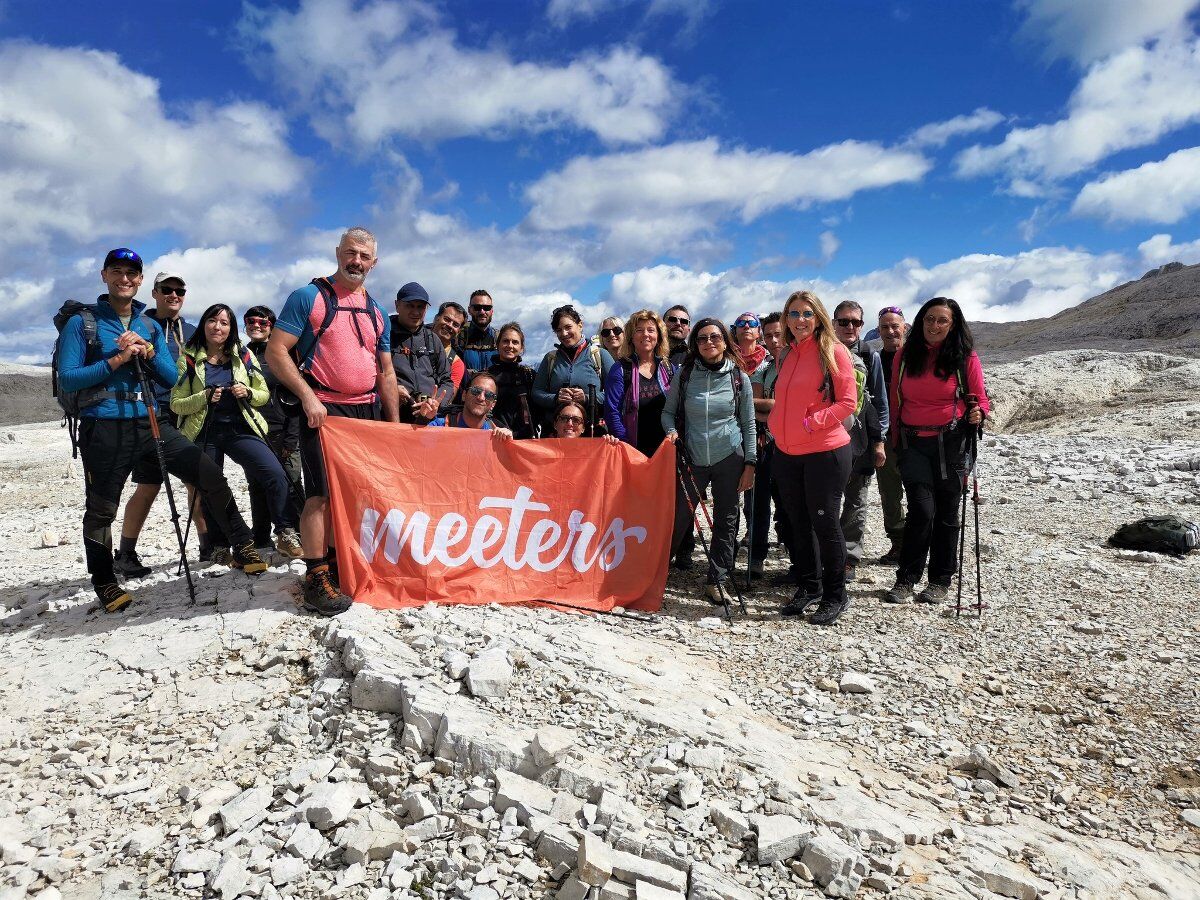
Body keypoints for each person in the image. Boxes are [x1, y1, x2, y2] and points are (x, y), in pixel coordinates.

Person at [58, 248, 267, 613]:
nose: (125, 279)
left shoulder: (148, 325)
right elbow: (69, 378)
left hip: (152, 421)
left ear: (140, 280)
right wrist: (118, 359)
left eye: (132, 273)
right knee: (102, 508)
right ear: (104, 276)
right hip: (104, 426)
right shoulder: (84, 323)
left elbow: (174, 379)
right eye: (117, 271)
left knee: (207, 474)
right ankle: (105, 581)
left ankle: (242, 544)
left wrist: (152, 354)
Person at [268, 227, 400, 616]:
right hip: (325, 408)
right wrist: (308, 397)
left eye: (364, 256)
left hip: (366, 410)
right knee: (321, 494)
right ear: (337, 252)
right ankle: (315, 576)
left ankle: (338, 562)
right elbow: (277, 352)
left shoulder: (376, 311)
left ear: (374, 263)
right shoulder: (309, 297)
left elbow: (386, 371)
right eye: (350, 253)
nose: (356, 261)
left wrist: (392, 423)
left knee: (357, 493)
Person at [171, 304, 298, 565]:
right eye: (212, 321)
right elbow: (176, 403)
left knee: (274, 473)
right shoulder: (189, 358)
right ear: (204, 324)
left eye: (224, 323)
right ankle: (218, 545)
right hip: (204, 431)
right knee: (211, 486)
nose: (218, 327)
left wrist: (248, 392)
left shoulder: (244, 355)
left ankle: (285, 531)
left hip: (241, 428)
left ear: (231, 329)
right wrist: (204, 397)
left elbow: (262, 395)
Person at [884, 297, 989, 606]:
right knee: (922, 510)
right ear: (920, 321)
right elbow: (895, 401)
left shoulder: (964, 358)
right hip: (913, 443)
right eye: (930, 319)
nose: (934, 325)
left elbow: (980, 399)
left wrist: (978, 413)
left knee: (946, 513)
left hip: (952, 444)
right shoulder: (905, 356)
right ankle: (907, 579)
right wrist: (894, 440)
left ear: (953, 324)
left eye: (942, 320)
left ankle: (940, 580)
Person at [768, 291, 857, 626]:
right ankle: (810, 587)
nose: (799, 320)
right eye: (793, 314)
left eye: (806, 314)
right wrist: (779, 428)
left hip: (825, 450)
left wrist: (811, 423)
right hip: (788, 452)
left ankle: (836, 595)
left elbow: (848, 402)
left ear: (818, 317)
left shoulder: (834, 351)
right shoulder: (787, 354)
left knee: (825, 522)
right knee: (797, 523)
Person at [113, 270, 205, 577]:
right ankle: (125, 553)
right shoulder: (141, 326)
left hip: (186, 415)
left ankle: (207, 544)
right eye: (167, 289)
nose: (174, 295)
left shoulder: (192, 331)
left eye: (180, 290)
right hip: (151, 414)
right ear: (154, 292)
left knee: (196, 479)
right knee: (149, 485)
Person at [662, 318, 756, 604]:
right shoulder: (686, 374)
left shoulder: (739, 377)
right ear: (695, 344)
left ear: (725, 341)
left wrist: (750, 463)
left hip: (729, 455)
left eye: (714, 337)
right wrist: (672, 432)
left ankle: (718, 579)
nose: (708, 343)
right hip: (692, 456)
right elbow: (668, 412)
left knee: (727, 518)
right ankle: (657, 571)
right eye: (702, 339)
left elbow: (749, 423)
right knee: (679, 516)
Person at [832, 300, 889, 581]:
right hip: (828, 439)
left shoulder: (870, 356)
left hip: (862, 438)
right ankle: (827, 554)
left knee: (856, 500)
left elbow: (879, 401)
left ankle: (849, 557)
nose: (850, 327)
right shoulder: (823, 352)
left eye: (855, 322)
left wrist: (880, 442)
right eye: (844, 321)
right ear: (833, 324)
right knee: (827, 499)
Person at [243, 306, 303, 557]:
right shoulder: (241, 354)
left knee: (291, 481)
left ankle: (298, 532)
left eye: (263, 322)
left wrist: (291, 436)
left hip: (284, 427)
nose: (257, 325)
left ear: (272, 325)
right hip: (254, 429)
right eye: (251, 321)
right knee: (257, 483)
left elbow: (298, 395)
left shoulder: (284, 353)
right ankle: (260, 536)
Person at [748, 311, 796, 579]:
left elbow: (776, 406)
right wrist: (774, 407)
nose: (774, 340)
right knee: (758, 504)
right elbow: (754, 407)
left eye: (779, 334)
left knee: (791, 504)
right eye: (768, 335)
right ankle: (756, 557)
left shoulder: (799, 366)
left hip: (791, 445)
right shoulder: (763, 370)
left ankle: (799, 561)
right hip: (766, 443)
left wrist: (771, 407)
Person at [532, 304, 614, 436]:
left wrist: (588, 399)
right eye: (558, 330)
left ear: (580, 325)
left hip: (592, 433)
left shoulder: (600, 355)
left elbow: (617, 395)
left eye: (568, 327)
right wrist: (555, 399)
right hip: (555, 434)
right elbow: (536, 393)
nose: (564, 334)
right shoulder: (550, 358)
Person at [603, 310, 674, 458]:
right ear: (631, 337)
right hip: (634, 450)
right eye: (639, 330)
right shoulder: (620, 369)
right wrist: (627, 446)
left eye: (651, 330)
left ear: (659, 336)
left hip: (666, 450)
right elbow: (612, 412)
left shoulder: (667, 368)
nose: (646, 334)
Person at [390, 282, 454, 425]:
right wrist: (390, 390)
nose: (416, 312)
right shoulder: (383, 334)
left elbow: (447, 381)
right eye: (410, 305)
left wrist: (436, 403)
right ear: (397, 305)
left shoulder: (433, 339)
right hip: (390, 417)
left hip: (427, 420)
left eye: (421, 307)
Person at [875, 305, 908, 564]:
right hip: (886, 438)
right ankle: (898, 542)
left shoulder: (915, 359)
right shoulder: (875, 360)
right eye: (885, 326)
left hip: (915, 435)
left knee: (920, 492)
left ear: (904, 327)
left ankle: (919, 542)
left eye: (894, 326)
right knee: (890, 492)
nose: (890, 331)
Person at [662, 304, 694, 567]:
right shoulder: (653, 352)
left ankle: (684, 547)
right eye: (672, 319)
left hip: (685, 431)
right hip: (655, 429)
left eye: (683, 321)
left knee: (686, 493)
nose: (678, 324)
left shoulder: (694, 355)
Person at [482, 322, 537, 439]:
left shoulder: (529, 376)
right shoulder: (486, 376)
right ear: (498, 344)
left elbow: (537, 411)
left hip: (523, 439)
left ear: (521, 348)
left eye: (515, 342)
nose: (510, 345)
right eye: (505, 341)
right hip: (493, 436)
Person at [429, 373, 514, 439]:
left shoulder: (497, 435)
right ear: (464, 395)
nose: (481, 398)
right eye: (475, 391)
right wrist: (423, 418)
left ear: (493, 404)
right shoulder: (441, 425)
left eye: (489, 395)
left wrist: (508, 442)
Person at [456, 289, 498, 371]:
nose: (482, 312)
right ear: (469, 310)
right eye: (477, 307)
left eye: (487, 308)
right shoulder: (458, 335)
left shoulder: (500, 338)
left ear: (492, 311)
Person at [431, 301, 468, 393]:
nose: (449, 325)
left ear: (458, 331)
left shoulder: (457, 364)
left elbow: (447, 397)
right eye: (447, 319)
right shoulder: (412, 341)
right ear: (436, 318)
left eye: (455, 324)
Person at [551, 399, 621, 444]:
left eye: (576, 420)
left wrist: (610, 446)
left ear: (583, 428)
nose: (570, 423)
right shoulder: (541, 451)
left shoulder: (594, 451)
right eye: (564, 418)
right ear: (555, 424)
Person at [731, 312, 769, 377]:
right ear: (735, 331)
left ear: (758, 331)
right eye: (741, 323)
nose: (746, 326)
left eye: (752, 324)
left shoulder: (769, 359)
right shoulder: (727, 359)